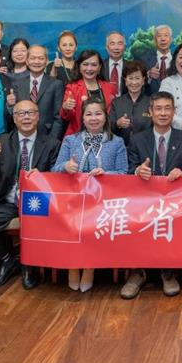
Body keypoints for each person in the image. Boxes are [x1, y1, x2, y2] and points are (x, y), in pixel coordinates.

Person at [0, 100, 61, 290]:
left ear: (38, 116)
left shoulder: (52, 143)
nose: (26, 117)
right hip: (8, 200)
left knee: (36, 226)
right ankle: (6, 259)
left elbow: (57, 177)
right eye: (21, 113)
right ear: (14, 118)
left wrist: (42, 179)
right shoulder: (2, 141)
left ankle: (30, 265)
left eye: (30, 113)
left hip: (37, 202)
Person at [123, 92, 182, 299]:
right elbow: (129, 169)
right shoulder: (137, 139)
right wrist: (138, 171)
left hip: (177, 204)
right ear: (150, 112)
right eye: (158, 109)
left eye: (168, 108)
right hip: (143, 202)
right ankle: (138, 272)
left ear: (174, 112)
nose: (163, 113)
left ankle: (168, 272)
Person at [53, 100, 128, 293]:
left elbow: (124, 172)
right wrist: (66, 167)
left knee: (92, 224)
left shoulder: (117, 142)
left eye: (98, 114)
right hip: (73, 199)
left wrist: (106, 174)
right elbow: (55, 169)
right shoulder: (71, 140)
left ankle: (88, 267)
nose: (93, 118)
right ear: (82, 118)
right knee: (71, 223)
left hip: (103, 200)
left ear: (105, 117)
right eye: (89, 114)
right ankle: (72, 266)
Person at [60, 49, 117, 138]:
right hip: (78, 137)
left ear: (99, 67)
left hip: (105, 138)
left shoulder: (110, 88)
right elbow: (67, 117)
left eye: (94, 65)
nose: (89, 68)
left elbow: (113, 115)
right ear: (79, 66)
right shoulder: (72, 88)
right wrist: (66, 107)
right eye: (85, 64)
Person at [11, 44, 64, 139]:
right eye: (32, 58)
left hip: (46, 136)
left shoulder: (56, 84)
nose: (36, 61)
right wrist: (9, 105)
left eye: (40, 58)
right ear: (27, 61)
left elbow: (59, 117)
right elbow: (12, 113)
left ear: (47, 61)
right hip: (21, 136)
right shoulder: (17, 84)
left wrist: (52, 140)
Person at [108, 61, 152, 145]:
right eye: (130, 78)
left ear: (143, 80)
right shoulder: (116, 102)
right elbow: (108, 127)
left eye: (137, 78)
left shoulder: (151, 102)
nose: (134, 82)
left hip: (144, 148)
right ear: (125, 81)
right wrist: (118, 124)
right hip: (121, 148)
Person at [143, 24, 174, 93]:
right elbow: (138, 86)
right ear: (154, 40)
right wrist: (149, 76)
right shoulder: (144, 61)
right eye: (159, 36)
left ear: (171, 39)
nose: (163, 39)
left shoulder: (178, 60)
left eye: (166, 35)